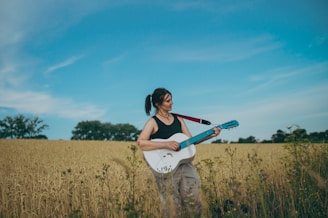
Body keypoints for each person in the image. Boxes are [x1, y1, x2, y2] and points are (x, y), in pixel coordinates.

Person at [137, 88, 220, 217]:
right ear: (158, 104)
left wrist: (211, 135)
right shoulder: (153, 122)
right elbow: (141, 142)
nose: (172, 103)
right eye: (168, 101)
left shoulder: (179, 119)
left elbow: (192, 141)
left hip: (185, 165)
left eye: (171, 99)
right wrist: (166, 144)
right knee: (171, 206)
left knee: (194, 200)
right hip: (165, 167)